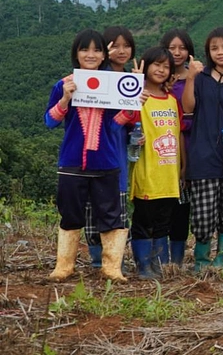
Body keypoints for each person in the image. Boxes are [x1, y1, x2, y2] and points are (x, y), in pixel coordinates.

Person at [45, 30, 131, 282]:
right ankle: (64, 266)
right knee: (70, 214)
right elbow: (49, 121)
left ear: (104, 55)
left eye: (96, 50)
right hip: (71, 163)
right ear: (76, 53)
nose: (90, 55)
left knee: (111, 216)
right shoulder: (63, 84)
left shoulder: (113, 85)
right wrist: (65, 99)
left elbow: (114, 126)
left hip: (106, 162)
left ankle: (111, 267)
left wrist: (132, 107)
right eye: (84, 49)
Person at [181, 27, 223, 272]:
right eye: (214, 48)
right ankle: (201, 261)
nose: (220, 52)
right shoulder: (201, 78)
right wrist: (190, 78)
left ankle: (221, 259)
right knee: (203, 214)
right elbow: (188, 107)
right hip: (203, 157)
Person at [79, 25, 134, 269]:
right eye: (114, 45)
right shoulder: (92, 77)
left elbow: (127, 119)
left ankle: (114, 261)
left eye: (126, 46)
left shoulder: (132, 79)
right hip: (92, 151)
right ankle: (96, 260)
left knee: (116, 205)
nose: (120, 51)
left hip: (118, 149)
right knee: (92, 208)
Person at [128, 47, 185, 279]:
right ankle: (143, 266)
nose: (161, 70)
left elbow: (179, 132)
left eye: (166, 66)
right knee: (144, 220)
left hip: (168, 173)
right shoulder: (139, 97)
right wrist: (134, 95)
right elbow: (127, 124)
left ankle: (159, 265)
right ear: (146, 65)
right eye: (156, 65)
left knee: (163, 221)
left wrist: (183, 166)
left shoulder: (172, 100)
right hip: (146, 170)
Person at [161, 28, 197, 266]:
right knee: (161, 203)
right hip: (160, 149)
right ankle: (159, 257)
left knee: (183, 205)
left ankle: (177, 260)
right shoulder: (154, 80)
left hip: (190, 145)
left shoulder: (197, 78)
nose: (177, 52)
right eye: (171, 48)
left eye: (182, 48)